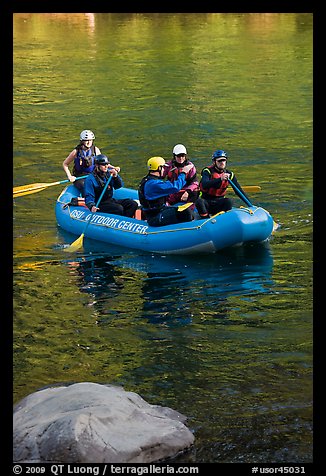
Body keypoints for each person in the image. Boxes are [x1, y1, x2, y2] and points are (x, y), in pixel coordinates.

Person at [138, 156, 194, 226]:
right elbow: (175, 187)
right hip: (155, 217)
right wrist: (183, 173)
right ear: (159, 168)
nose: (164, 170)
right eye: (163, 168)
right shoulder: (153, 184)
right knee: (186, 212)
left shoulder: (149, 180)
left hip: (158, 211)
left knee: (183, 209)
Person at [63, 129, 119, 195]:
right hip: (80, 177)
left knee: (102, 184)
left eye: (90, 140)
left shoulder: (95, 150)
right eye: (87, 140)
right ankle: (87, 201)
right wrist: (70, 176)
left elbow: (103, 163)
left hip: (93, 174)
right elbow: (65, 164)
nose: (89, 142)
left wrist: (113, 167)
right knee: (85, 187)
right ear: (82, 141)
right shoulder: (76, 152)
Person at [195, 149, 250, 218]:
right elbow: (204, 184)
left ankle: (223, 220)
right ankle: (205, 219)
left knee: (228, 201)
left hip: (219, 202)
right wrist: (220, 179)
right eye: (219, 161)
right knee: (199, 202)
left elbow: (238, 191)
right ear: (214, 162)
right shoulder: (207, 171)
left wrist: (250, 204)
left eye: (223, 160)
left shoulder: (230, 175)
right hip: (207, 202)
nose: (222, 162)